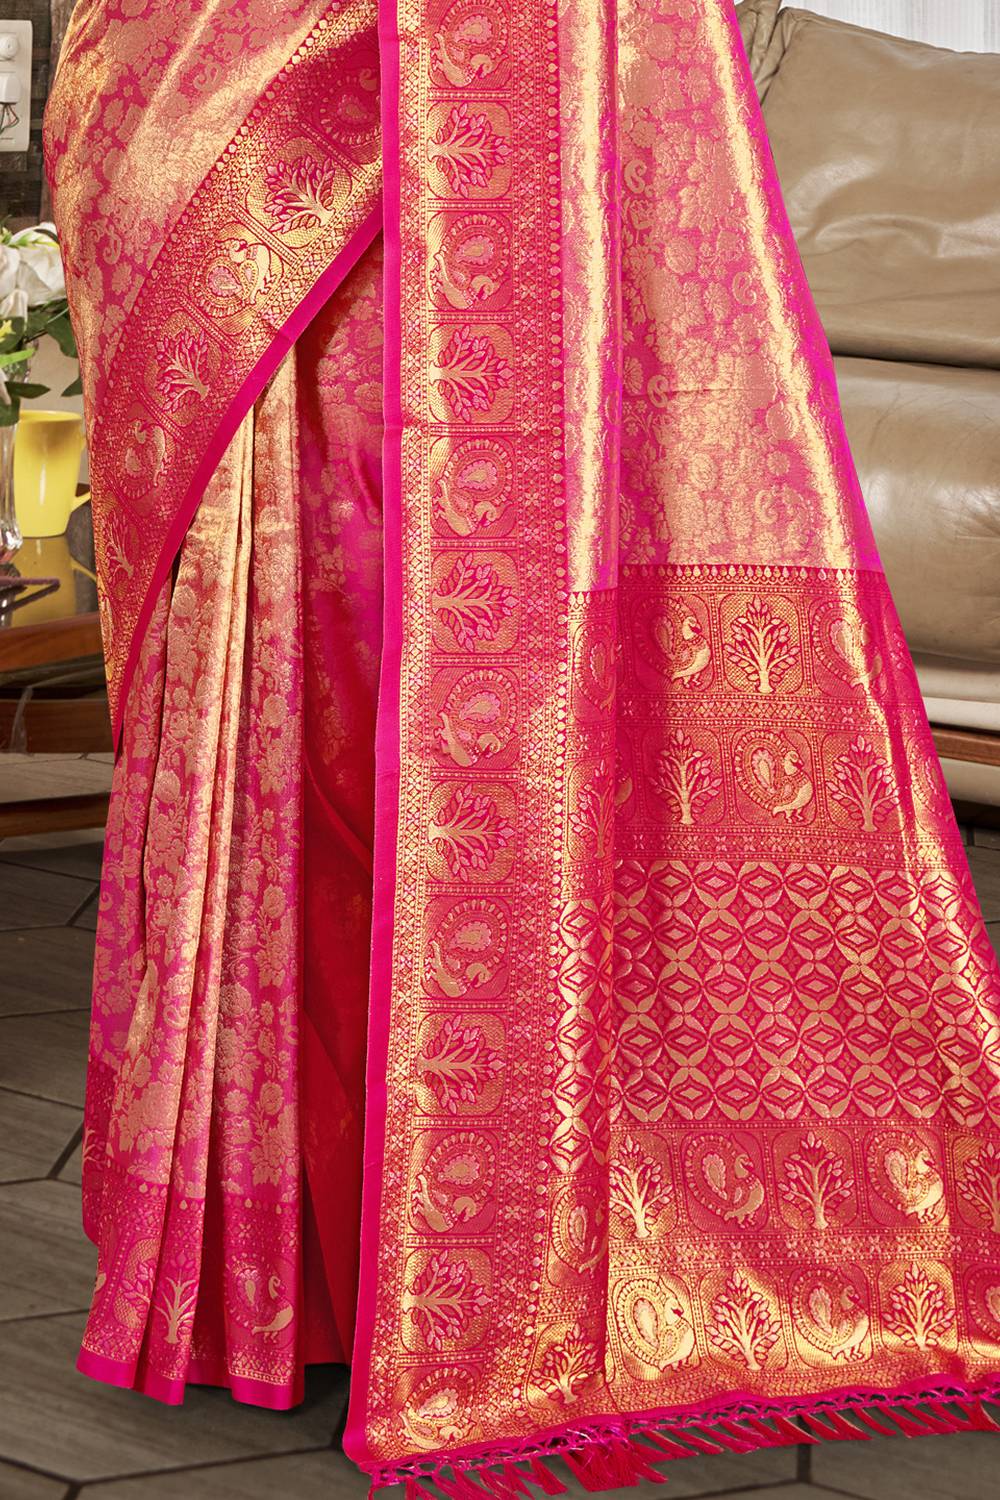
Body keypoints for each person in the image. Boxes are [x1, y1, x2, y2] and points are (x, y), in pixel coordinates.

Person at [45, 0, 1000, 1490]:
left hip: (484, 234)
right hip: (277, 225)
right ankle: (299, 1270)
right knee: (304, 740)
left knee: (451, 751)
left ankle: (478, 1259)